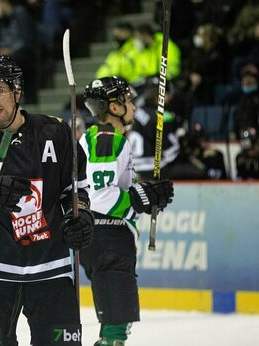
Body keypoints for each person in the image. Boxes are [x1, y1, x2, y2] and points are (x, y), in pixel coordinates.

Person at [0, 56, 93, 346]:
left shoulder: (55, 132)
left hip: (52, 268)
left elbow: (75, 190)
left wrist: (81, 214)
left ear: (17, 90)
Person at [79, 76, 174, 346]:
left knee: (116, 323)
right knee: (116, 328)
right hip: (106, 236)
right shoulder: (106, 140)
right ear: (114, 107)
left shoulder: (104, 138)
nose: (132, 104)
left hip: (106, 236)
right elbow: (98, 196)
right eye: (128, 99)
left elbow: (111, 186)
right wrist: (140, 198)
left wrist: (144, 191)